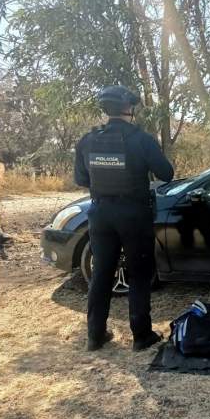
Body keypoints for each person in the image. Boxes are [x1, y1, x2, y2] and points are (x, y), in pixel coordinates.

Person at [74, 85, 174, 351]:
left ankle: (95, 336)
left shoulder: (88, 139)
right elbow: (166, 173)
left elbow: (81, 178)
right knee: (139, 274)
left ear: (105, 109)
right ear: (129, 108)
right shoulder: (140, 139)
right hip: (133, 214)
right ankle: (141, 336)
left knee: (101, 274)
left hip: (99, 214)